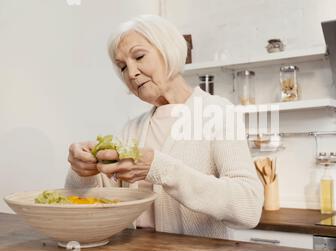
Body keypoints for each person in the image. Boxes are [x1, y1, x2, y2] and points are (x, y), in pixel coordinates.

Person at [65, 14, 263, 239]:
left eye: (139, 56)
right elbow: (83, 202)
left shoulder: (217, 113)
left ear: (167, 51)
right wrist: (82, 170)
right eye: (122, 67)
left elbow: (249, 206)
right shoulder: (132, 128)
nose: (131, 73)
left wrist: (160, 168)